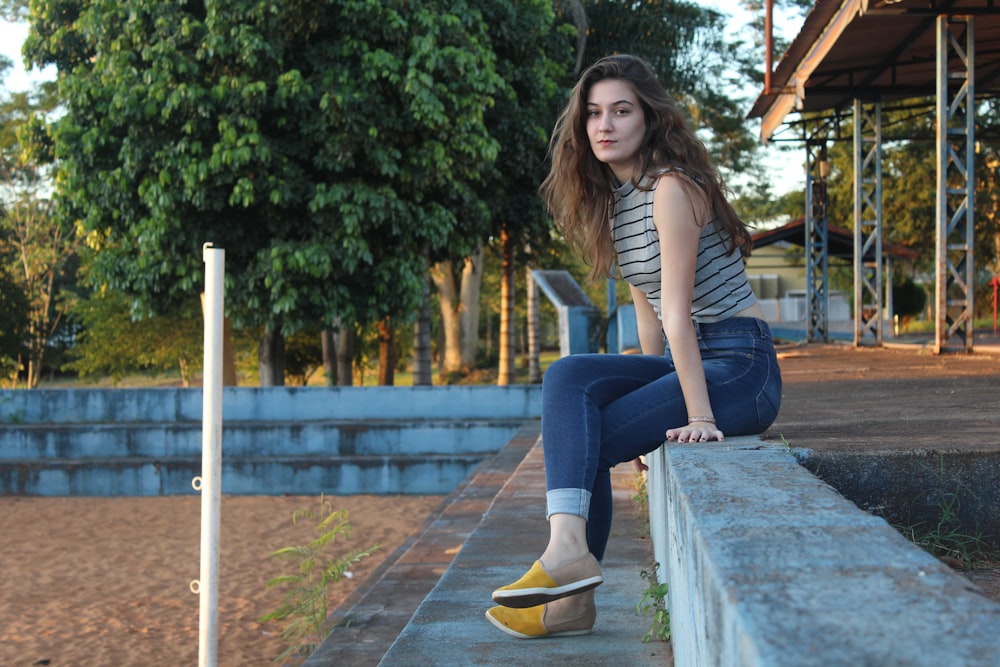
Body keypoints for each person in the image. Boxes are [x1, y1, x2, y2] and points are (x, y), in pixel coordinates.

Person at [485, 54, 782, 639]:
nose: (605, 125)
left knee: (587, 438)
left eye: (621, 111)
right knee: (568, 377)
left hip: (742, 368)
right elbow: (646, 310)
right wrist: (657, 386)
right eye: (594, 113)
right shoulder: (618, 204)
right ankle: (569, 554)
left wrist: (696, 415)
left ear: (649, 118)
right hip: (695, 360)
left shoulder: (672, 188)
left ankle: (570, 592)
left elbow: (677, 313)